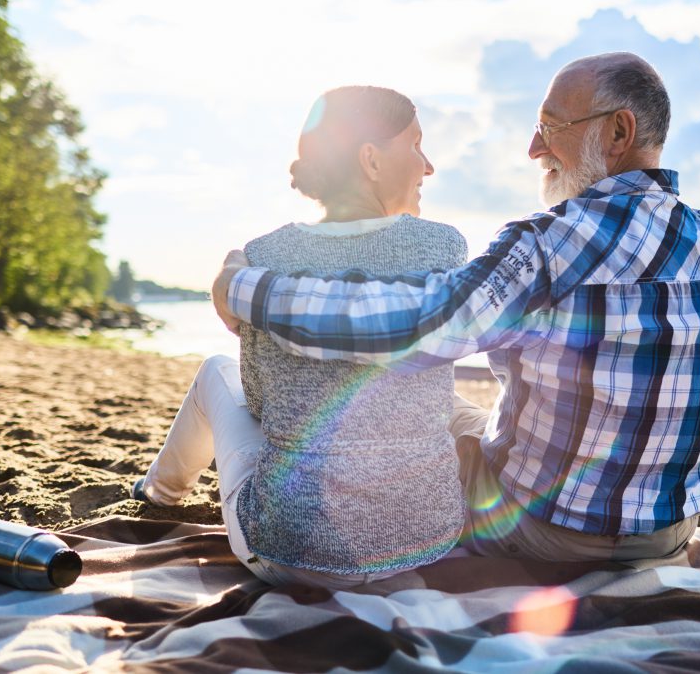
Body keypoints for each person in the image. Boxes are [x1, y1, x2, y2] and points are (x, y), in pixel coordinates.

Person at [214, 53, 700, 564]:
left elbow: (410, 327)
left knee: (411, 421)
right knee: (448, 412)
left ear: (619, 133)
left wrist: (246, 289)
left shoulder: (550, 244)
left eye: (551, 126)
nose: (535, 148)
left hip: (548, 531)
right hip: (670, 531)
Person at [134, 86, 468, 588]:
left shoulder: (265, 255)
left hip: (291, 553)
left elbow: (263, 404)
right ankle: (158, 490)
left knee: (216, 373)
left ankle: (158, 493)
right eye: (416, 144)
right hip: (426, 541)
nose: (428, 165)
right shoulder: (445, 246)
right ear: (371, 160)